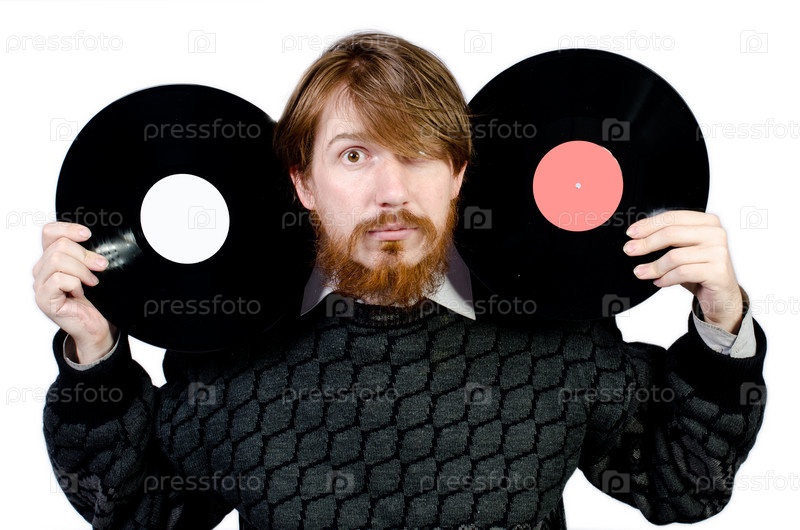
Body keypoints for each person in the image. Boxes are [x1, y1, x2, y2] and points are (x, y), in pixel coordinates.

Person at [34, 32, 766, 530]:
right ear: (303, 182)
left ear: (458, 173)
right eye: (354, 156)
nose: (391, 192)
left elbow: (684, 485)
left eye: (417, 153)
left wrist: (720, 321)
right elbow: (133, 511)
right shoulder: (227, 354)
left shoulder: (563, 337)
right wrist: (95, 355)